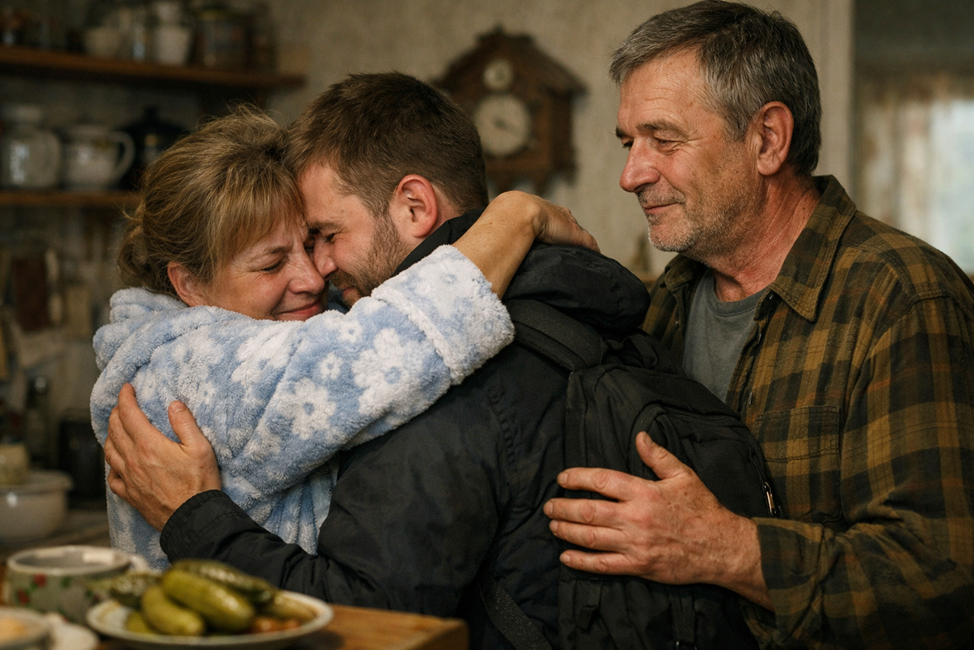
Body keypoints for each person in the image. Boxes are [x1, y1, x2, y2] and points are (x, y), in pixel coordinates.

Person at [103, 72, 649, 649]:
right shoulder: (191, 369)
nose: (315, 274)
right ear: (188, 284)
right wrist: (516, 214)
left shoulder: (460, 367)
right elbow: (388, 342)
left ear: (416, 206)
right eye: (272, 263)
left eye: (319, 237)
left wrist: (195, 517)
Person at [543, 2, 974, 648]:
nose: (631, 175)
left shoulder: (901, 297)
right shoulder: (666, 300)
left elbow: (940, 576)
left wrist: (727, 549)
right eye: (629, 143)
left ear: (768, 139)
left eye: (664, 140)